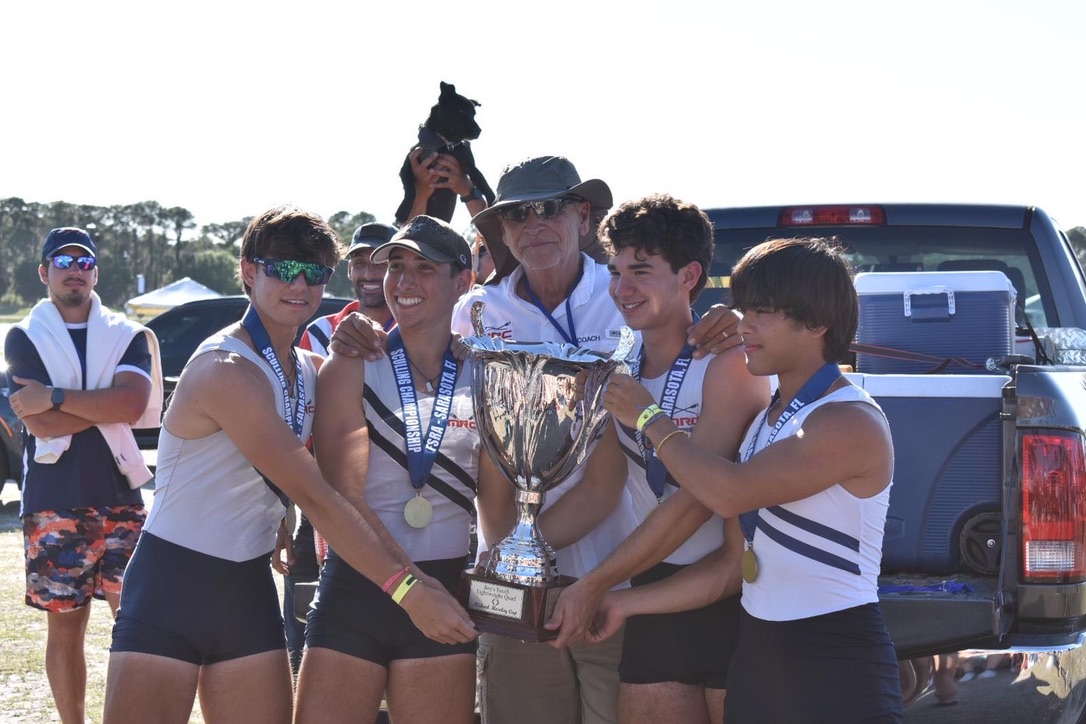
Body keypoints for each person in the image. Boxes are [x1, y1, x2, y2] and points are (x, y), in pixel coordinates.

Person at [330, 156, 743, 724]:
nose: (534, 224)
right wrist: (357, 326)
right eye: (518, 215)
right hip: (508, 586)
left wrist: (731, 316)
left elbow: (685, 323)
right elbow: (411, 323)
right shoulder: (474, 312)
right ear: (500, 230)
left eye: (550, 209)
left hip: (615, 578)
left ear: (582, 215)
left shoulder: (624, 296)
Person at [101, 206, 477, 724]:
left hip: (248, 592)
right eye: (283, 269)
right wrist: (409, 591)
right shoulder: (224, 368)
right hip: (172, 587)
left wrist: (369, 339)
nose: (298, 285)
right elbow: (319, 496)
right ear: (249, 271)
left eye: (315, 273)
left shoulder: (310, 368)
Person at [597, 237, 904, 723]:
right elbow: (728, 569)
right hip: (759, 661)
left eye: (762, 313)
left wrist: (650, 417)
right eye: (743, 310)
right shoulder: (769, 419)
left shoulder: (849, 420)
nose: (744, 326)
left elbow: (726, 493)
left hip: (835, 664)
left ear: (817, 323)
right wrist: (622, 603)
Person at [546, 194, 770, 724]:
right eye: (616, 271)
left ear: (689, 275)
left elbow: (701, 498)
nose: (622, 289)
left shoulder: (728, 360)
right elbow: (601, 490)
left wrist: (596, 582)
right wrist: (517, 548)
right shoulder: (618, 368)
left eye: (641, 272)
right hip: (654, 593)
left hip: (732, 597)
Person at [5, 227, 162, 724]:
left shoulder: (127, 333)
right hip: (54, 500)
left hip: (121, 496)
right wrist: (103, 405)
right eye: (63, 259)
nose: (76, 268)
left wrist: (54, 395)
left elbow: (134, 404)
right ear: (44, 271)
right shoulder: (24, 335)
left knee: (137, 626)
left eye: (85, 260)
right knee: (65, 632)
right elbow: (38, 423)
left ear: (96, 271)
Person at [281, 221, 396, 674]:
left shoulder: (426, 328)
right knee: (315, 633)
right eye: (359, 261)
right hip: (324, 502)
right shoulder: (321, 332)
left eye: (379, 261)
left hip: (402, 500)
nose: (368, 270)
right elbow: (299, 423)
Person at [299, 222, 397, 355]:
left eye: (379, 264)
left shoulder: (412, 332)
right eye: (360, 263)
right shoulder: (319, 333)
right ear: (350, 269)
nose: (368, 275)